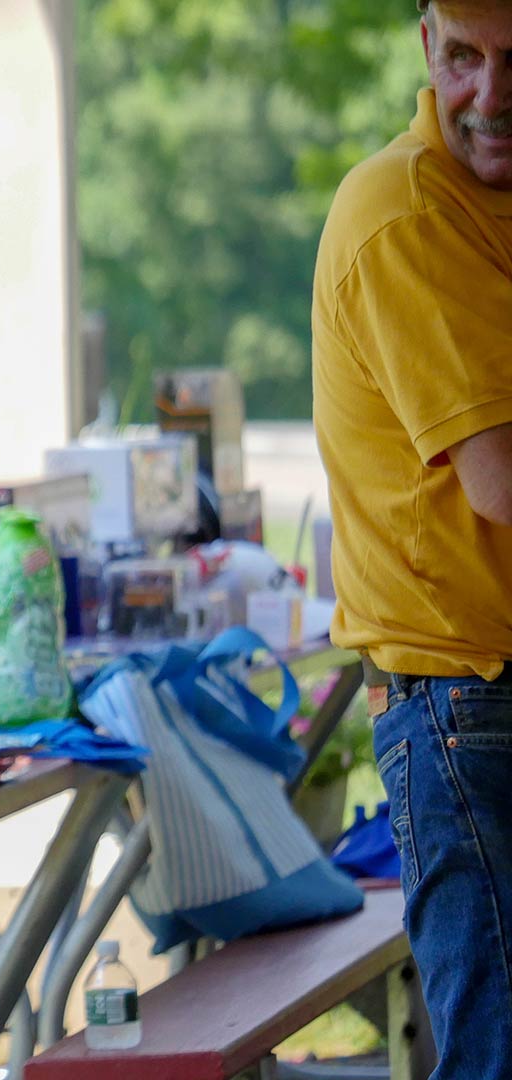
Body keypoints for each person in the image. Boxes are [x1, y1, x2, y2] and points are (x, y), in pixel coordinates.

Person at [313, 2, 512, 1074]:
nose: (491, 94)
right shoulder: (402, 210)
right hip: (466, 710)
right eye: (465, 57)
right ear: (426, 44)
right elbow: (502, 481)